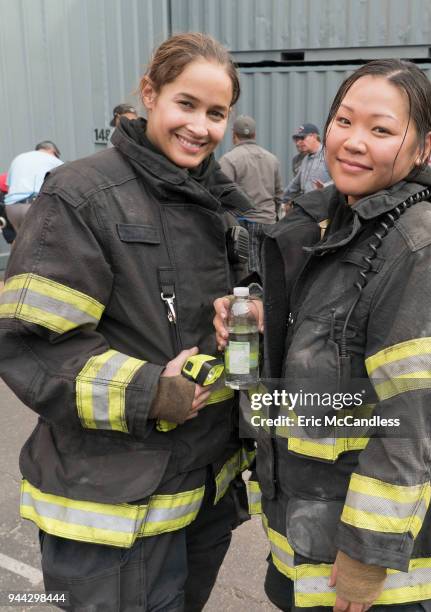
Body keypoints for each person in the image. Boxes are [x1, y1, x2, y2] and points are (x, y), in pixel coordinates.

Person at [214, 59, 431, 611]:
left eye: (381, 129)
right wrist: (266, 312)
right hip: (306, 538)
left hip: (368, 580)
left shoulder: (427, 253)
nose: (354, 141)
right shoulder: (333, 227)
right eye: (344, 121)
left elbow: (420, 423)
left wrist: (369, 554)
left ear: (423, 147)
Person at [0, 32, 255, 611]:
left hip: (201, 492)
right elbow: (31, 346)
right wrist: (150, 393)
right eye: (186, 104)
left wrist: (246, 314)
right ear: (149, 95)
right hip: (111, 514)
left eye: (216, 113)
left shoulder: (217, 200)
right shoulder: (83, 193)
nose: (201, 126)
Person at [219, 114, 283, 274]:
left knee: (250, 270)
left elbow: (222, 193)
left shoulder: (229, 160)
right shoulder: (272, 159)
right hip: (269, 221)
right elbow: (278, 194)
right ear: (254, 134)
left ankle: (256, 298)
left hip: (244, 222)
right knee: (269, 267)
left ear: (234, 135)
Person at [4, 140, 63, 232]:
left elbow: (8, 187)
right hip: (34, 207)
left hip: (12, 209)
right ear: (53, 151)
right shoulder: (55, 161)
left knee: (22, 243)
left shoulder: (18, 158)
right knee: (44, 243)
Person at [281, 123, 331, 204]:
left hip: (326, 208)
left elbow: (342, 181)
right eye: (296, 140)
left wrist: (325, 187)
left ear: (314, 137)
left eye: (302, 138)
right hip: (309, 207)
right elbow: (294, 185)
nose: (298, 143)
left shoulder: (328, 155)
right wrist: (279, 199)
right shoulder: (306, 159)